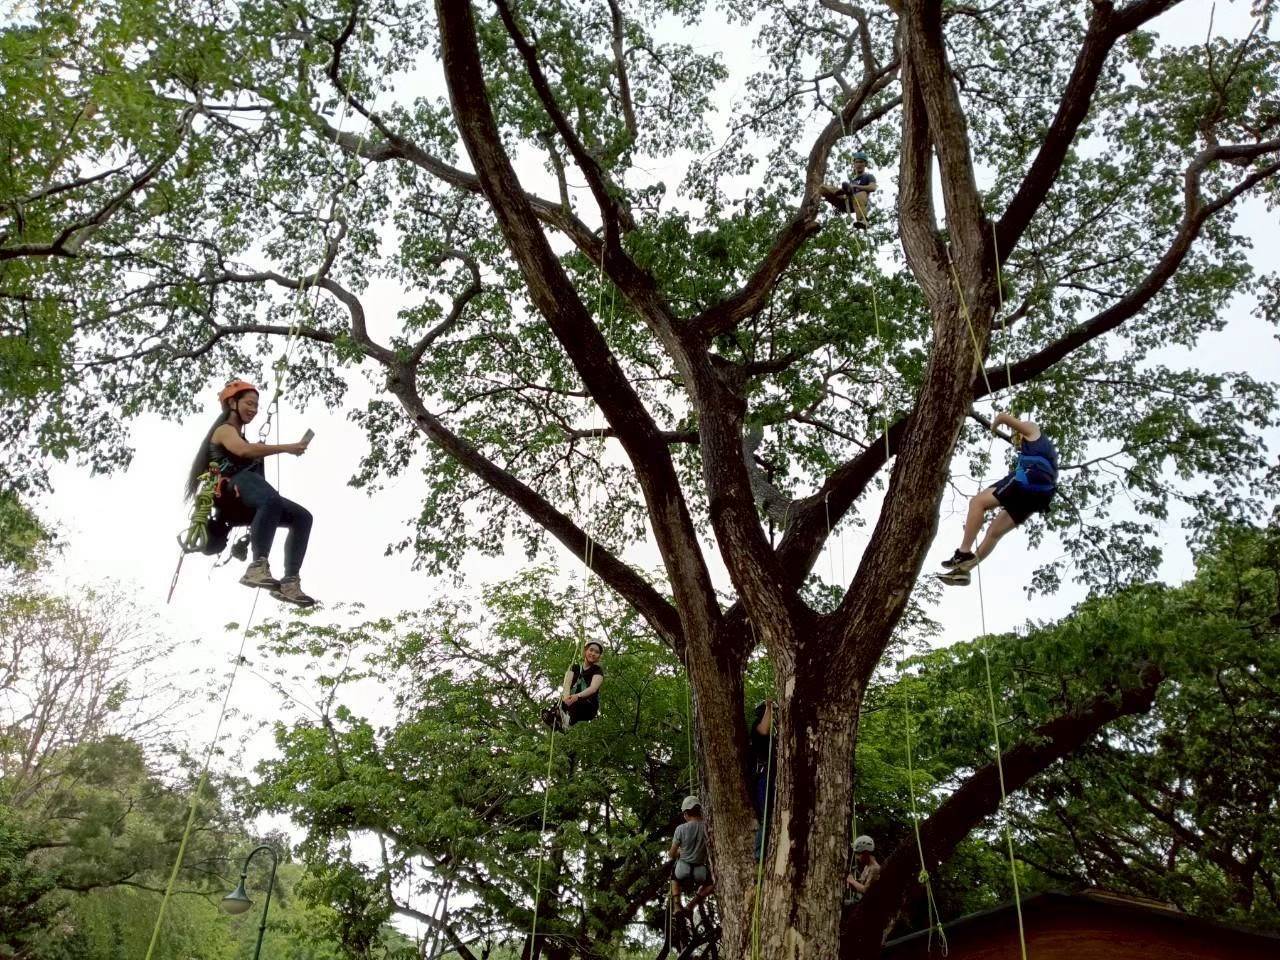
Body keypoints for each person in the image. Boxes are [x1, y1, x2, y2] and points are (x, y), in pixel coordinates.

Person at [185, 379, 316, 606]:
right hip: (229, 490)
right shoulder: (224, 430)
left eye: (256, 406)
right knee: (271, 499)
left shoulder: (237, 434)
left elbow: (248, 451)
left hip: (245, 496)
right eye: (249, 403)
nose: (253, 410)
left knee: (302, 517)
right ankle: (257, 566)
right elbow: (244, 450)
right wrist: (288, 447)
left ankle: (290, 581)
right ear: (233, 403)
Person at [937, 412, 1058, 586]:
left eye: (1016, 436)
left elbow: (1002, 417)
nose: (1016, 440)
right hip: (1040, 494)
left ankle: (963, 552)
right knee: (994, 533)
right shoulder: (1044, 451)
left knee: (977, 502)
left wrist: (994, 427)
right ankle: (964, 571)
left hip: (1029, 477)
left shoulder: (1032, 429)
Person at [541, 640, 604, 731]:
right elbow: (567, 683)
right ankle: (556, 719)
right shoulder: (575, 668)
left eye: (597, 652)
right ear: (585, 651)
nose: (593, 653)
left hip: (588, 706)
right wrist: (566, 697)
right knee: (559, 706)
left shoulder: (597, 670)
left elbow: (593, 688)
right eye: (591, 650)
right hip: (571, 702)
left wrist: (577, 696)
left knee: (575, 704)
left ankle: (566, 721)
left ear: (599, 656)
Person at [668, 795, 714, 915]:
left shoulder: (680, 829)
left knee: (674, 877)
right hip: (700, 871)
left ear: (686, 813)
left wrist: (678, 852)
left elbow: (671, 854)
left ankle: (677, 906)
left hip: (683, 868)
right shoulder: (708, 827)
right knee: (712, 883)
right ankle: (692, 904)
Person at [749, 699, 776, 860]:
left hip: (770, 778)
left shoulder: (774, 737)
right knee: (766, 817)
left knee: (771, 816)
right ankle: (759, 854)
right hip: (763, 779)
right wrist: (769, 708)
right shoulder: (757, 729)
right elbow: (763, 730)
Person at [844, 835, 881, 905]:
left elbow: (867, 890)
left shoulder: (875, 869)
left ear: (866, 853)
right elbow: (860, 887)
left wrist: (852, 881)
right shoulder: (867, 867)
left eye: (858, 854)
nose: (857, 857)